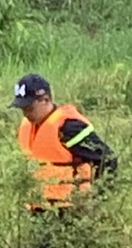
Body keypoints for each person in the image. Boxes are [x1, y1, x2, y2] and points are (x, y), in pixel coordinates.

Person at [11, 73, 117, 210]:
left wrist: (97, 198)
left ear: (46, 99)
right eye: (22, 109)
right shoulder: (28, 127)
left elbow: (108, 160)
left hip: (70, 210)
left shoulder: (69, 127)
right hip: (39, 209)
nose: (26, 114)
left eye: (29, 108)